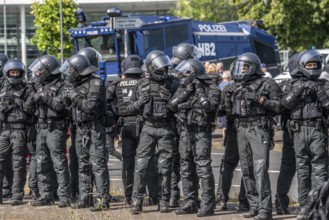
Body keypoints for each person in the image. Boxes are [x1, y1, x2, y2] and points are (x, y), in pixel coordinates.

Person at [225, 53, 282, 220]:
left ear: (253, 67)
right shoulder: (235, 86)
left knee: (260, 169)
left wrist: (261, 100)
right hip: (240, 128)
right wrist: (227, 96)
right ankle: (254, 205)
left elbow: (279, 107)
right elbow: (229, 114)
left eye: (244, 67)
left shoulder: (267, 83)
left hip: (258, 129)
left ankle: (265, 209)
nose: (240, 71)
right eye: (238, 67)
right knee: (247, 169)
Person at [128, 50, 179, 214]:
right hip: (148, 128)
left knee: (165, 167)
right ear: (150, 68)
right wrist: (139, 103)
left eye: (165, 68)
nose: (163, 71)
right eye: (159, 68)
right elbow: (128, 108)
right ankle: (137, 201)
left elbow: (181, 108)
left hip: (166, 128)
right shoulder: (141, 84)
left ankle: (164, 201)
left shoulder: (173, 83)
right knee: (140, 166)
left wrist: (169, 100)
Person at [168, 59, 219, 217]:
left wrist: (199, 90)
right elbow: (172, 105)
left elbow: (210, 106)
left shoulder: (211, 87)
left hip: (200, 131)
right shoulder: (183, 87)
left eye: (186, 72)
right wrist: (186, 92)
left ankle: (207, 204)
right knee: (186, 167)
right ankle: (190, 201)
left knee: (203, 167)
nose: (183, 75)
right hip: (184, 131)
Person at [281, 50, 329, 220]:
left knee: (320, 169)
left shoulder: (324, 84)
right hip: (298, 130)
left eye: (315, 65)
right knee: (302, 169)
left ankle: (322, 205)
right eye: (309, 65)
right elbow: (285, 105)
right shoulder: (292, 84)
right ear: (302, 66)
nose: (312, 68)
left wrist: (319, 91)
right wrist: (300, 88)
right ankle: (304, 206)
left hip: (317, 130)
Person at [60, 54, 110, 212]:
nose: (69, 72)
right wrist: (66, 96)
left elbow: (90, 107)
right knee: (83, 165)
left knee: (98, 165)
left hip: (94, 128)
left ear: (79, 69)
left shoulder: (95, 82)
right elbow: (67, 107)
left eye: (71, 69)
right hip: (80, 128)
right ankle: (85, 197)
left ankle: (102, 200)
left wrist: (73, 96)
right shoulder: (75, 84)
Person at [106, 54, 158, 205]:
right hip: (143, 125)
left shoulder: (116, 84)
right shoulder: (145, 82)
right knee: (147, 160)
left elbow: (105, 103)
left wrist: (113, 118)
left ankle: (129, 196)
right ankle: (153, 196)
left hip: (125, 126)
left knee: (128, 163)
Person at [27, 55, 71, 207]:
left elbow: (61, 107)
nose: (37, 73)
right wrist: (33, 98)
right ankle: (46, 194)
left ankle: (64, 195)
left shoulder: (62, 85)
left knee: (59, 163)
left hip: (55, 129)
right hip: (40, 128)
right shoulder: (38, 86)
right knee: (41, 162)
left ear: (49, 70)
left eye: (40, 70)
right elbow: (28, 109)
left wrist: (44, 98)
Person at [169, 42, 203, 208]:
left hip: (176, 122)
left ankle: (174, 197)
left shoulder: (170, 71)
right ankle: (185, 197)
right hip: (179, 123)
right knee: (183, 162)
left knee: (178, 162)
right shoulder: (178, 74)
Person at [0, 59, 31, 205]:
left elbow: (31, 109)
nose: (14, 75)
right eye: (12, 72)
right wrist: (3, 104)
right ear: (7, 73)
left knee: (18, 163)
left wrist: (17, 100)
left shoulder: (26, 89)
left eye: (17, 72)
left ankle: (17, 195)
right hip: (5, 130)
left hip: (19, 129)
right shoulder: (3, 89)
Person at [274, 53, 300, 215]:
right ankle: (282, 203)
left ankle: (281, 203)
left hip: (291, 130)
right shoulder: (288, 85)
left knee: (289, 168)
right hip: (294, 131)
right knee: (309, 169)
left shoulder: (285, 84)